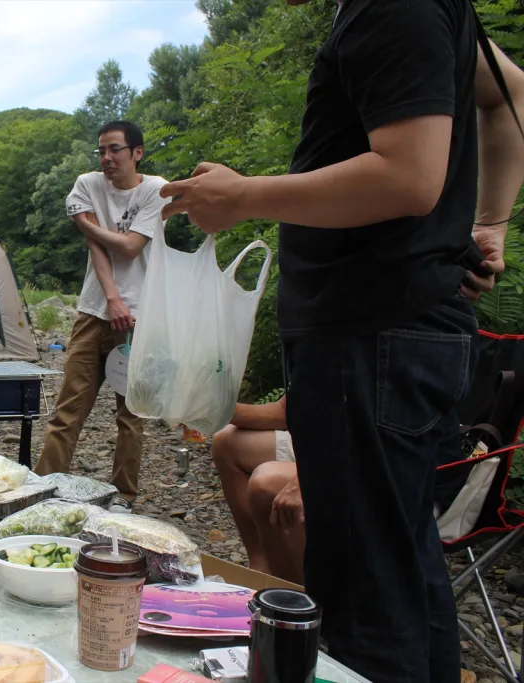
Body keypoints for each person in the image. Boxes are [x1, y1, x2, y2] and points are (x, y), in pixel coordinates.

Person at [160, 3, 524, 680]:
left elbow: (409, 176)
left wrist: (244, 196)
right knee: (404, 573)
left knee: (363, 605)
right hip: (395, 336)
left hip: (372, 337)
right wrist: (490, 223)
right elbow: (511, 95)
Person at [34, 120, 169, 513]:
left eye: (115, 150)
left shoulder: (154, 190)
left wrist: (91, 228)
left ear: (137, 153)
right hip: (95, 310)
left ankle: (123, 496)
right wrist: (112, 297)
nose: (106, 158)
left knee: (131, 414)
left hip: (140, 316)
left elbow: (129, 247)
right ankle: (42, 488)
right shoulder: (87, 184)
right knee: (68, 409)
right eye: (102, 151)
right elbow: (100, 250)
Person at [211, 397, 303, 585]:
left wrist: (303, 478)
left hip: (361, 452)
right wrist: (212, 408)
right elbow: (285, 411)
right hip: (323, 440)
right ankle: (260, 573)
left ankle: (294, 597)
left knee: (265, 482)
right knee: (226, 443)